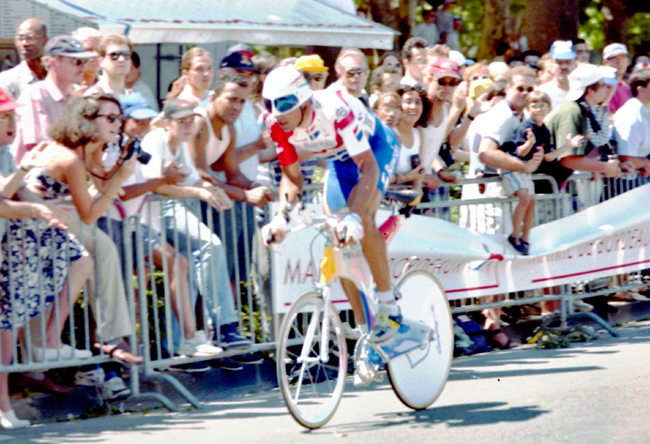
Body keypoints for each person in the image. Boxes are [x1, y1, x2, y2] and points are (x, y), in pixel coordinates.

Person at [260, 66, 403, 387]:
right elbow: (292, 178)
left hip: (376, 151)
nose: (274, 112)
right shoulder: (277, 123)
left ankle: (389, 305)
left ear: (302, 100)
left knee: (360, 218)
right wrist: (282, 216)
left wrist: (354, 215)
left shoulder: (335, 109)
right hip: (341, 162)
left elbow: (367, 166)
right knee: (341, 246)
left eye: (282, 104)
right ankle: (369, 332)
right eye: (268, 104)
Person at [23, 94, 142, 399]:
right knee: (87, 259)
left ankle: (107, 336)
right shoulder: (70, 157)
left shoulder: (86, 152)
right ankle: (53, 344)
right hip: (35, 224)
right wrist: (122, 178)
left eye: (119, 118)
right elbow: (91, 212)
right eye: (111, 118)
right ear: (88, 121)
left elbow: (101, 188)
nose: (119, 124)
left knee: (99, 253)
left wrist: (117, 163)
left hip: (53, 220)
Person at [0, 89, 93, 429]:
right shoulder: (14, 158)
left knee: (6, 330)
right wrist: (35, 206)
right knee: (5, 329)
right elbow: (1, 198)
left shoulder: (5, 153)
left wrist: (45, 208)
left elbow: (18, 191)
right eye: (2, 116)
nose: (10, 122)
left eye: (11, 115)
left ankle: (4, 409)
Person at [140, 98, 251, 352]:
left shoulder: (180, 145)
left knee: (186, 267)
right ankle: (224, 327)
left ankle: (180, 344)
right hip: (151, 214)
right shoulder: (155, 140)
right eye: (182, 121)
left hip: (166, 210)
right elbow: (156, 186)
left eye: (191, 121)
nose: (189, 126)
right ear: (167, 123)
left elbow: (193, 179)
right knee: (209, 245)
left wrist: (213, 190)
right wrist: (199, 193)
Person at [500, 91, 584, 255]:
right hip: (514, 166)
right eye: (534, 106)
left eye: (542, 106)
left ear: (549, 108)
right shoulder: (525, 127)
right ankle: (515, 234)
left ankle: (525, 237)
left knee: (531, 202)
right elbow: (520, 153)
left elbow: (548, 156)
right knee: (524, 198)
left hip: (527, 169)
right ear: (528, 109)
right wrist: (529, 143)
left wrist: (567, 146)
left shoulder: (544, 130)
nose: (538, 109)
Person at [12, 35, 96, 163]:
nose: (83, 67)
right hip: (35, 177)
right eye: (76, 61)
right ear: (53, 62)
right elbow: (40, 148)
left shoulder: (75, 101)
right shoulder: (35, 95)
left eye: (85, 61)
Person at [390, 83, 429, 191]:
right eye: (408, 102)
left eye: (418, 103)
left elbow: (417, 173)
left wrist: (417, 191)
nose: (413, 107)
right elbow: (379, 176)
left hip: (406, 200)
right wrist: (408, 177)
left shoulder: (419, 133)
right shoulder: (390, 133)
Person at [613, 68, 650, 176]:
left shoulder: (645, 112)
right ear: (641, 90)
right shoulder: (630, 115)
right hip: (625, 184)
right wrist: (646, 163)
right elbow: (626, 159)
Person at [0, 18, 48, 100]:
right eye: (20, 39)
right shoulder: (6, 81)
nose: (24, 43)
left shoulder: (57, 76)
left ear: (44, 40)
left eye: (30, 38)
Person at [535, 40, 576, 110]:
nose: (563, 67)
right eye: (559, 62)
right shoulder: (541, 93)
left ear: (575, 64)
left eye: (568, 62)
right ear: (551, 64)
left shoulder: (584, 92)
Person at [70, 27, 103, 92]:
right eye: (89, 50)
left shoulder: (109, 86)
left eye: (99, 50)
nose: (96, 54)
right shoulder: (64, 88)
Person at [603, 43, 632, 114]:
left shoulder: (626, 86)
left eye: (623, 58)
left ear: (628, 61)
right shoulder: (602, 86)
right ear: (605, 62)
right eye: (615, 59)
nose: (620, 63)